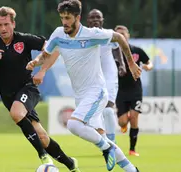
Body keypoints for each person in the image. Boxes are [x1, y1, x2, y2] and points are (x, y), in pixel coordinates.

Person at [27, 1, 140, 171]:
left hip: (96, 92)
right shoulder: (58, 34)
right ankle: (132, 169)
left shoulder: (91, 34)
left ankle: (107, 148)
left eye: (68, 18)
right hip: (81, 96)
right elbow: (46, 54)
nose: (64, 22)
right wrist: (36, 62)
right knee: (101, 137)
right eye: (62, 18)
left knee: (73, 125)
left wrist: (131, 63)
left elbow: (119, 37)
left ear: (77, 18)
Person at [0, 6, 80, 172]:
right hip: (9, 98)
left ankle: (43, 157)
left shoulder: (24, 40)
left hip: (28, 89)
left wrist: (42, 70)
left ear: (13, 24)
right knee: (42, 136)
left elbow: (53, 49)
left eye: (6, 24)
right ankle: (71, 165)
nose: (3, 28)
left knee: (16, 113)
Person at [87, 9, 127, 143]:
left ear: (102, 20)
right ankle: (104, 139)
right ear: (87, 20)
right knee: (96, 114)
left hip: (110, 77)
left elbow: (117, 48)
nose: (95, 20)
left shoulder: (109, 34)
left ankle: (112, 143)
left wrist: (121, 64)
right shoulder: (84, 36)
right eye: (92, 18)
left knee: (108, 111)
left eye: (98, 17)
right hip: (93, 80)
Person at [114, 25, 153, 156]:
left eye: (123, 34)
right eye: (118, 34)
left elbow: (149, 62)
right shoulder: (112, 54)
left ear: (127, 36)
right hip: (120, 91)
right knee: (122, 121)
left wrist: (148, 66)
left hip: (135, 90)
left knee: (135, 117)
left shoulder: (136, 51)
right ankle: (125, 121)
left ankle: (132, 149)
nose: (121, 36)